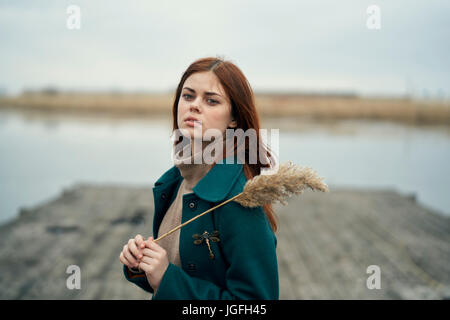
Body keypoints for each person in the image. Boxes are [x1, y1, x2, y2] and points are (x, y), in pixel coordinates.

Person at [119, 57, 279, 300]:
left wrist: (167, 277)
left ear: (234, 118)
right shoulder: (175, 183)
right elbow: (175, 271)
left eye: (211, 100)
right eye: (188, 96)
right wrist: (142, 265)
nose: (194, 106)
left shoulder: (240, 199)